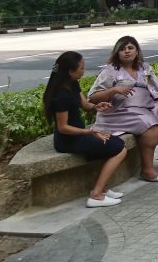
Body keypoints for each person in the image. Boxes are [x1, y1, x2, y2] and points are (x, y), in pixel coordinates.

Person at [88, 35, 158, 183]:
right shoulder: (110, 71)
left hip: (148, 107)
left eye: (130, 48)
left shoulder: (145, 68)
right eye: (122, 49)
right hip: (120, 111)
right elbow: (93, 97)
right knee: (152, 127)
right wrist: (113, 91)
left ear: (136, 51)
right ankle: (146, 170)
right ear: (117, 53)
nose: (126, 51)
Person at [43, 51, 127, 208]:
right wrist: (90, 132)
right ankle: (96, 195)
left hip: (80, 135)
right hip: (68, 140)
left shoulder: (73, 83)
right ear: (70, 71)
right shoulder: (61, 95)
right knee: (120, 148)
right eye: (81, 68)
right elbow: (63, 128)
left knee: (112, 144)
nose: (83, 71)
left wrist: (97, 106)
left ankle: (103, 189)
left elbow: (84, 104)